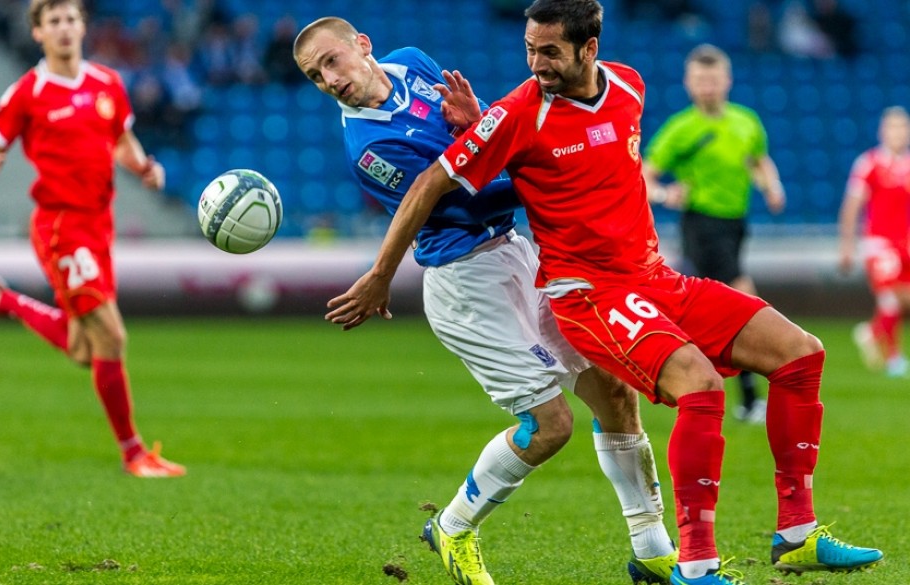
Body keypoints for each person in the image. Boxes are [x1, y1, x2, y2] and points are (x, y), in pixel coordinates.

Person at [323, 1, 884, 583]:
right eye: (529, 50)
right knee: (595, 413)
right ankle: (684, 564)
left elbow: (572, 159)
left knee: (798, 354)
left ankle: (784, 535)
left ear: (589, 48)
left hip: (637, 274)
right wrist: (382, 272)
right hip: (548, 287)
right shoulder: (497, 119)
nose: (536, 64)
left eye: (549, 52)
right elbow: (439, 187)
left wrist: (482, 127)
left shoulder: (628, 86)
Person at [293, 16, 678, 585]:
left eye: (331, 61)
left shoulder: (413, 62)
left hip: (516, 254)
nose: (329, 79)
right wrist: (552, 168)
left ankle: (652, 549)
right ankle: (452, 526)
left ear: (363, 45)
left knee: (614, 390)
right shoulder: (369, 148)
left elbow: (483, 140)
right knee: (551, 426)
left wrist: (478, 124)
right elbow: (464, 200)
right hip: (466, 281)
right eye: (314, 76)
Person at [0, 0, 185, 478]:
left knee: (85, 349)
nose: (64, 28)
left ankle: (3, 300)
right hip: (61, 227)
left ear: (83, 27)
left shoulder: (107, 82)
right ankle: (134, 454)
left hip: (99, 224)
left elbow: (121, 140)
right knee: (112, 336)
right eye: (54, 22)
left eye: (71, 19)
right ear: (38, 33)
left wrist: (144, 167)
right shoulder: (28, 91)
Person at [642, 44, 785, 424]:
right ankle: (750, 399)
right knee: (744, 300)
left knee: (712, 312)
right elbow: (644, 174)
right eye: (700, 80)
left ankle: (695, 385)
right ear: (688, 83)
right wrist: (664, 194)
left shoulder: (746, 121)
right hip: (702, 223)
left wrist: (771, 186)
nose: (707, 86)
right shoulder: (681, 128)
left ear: (727, 81)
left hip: (736, 224)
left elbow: (758, 160)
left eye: (713, 79)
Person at [839, 105, 910, 378]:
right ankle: (894, 358)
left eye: (902, 127)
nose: (897, 133)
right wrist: (847, 245)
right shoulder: (869, 163)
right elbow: (852, 206)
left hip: (904, 244)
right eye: (892, 127)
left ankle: (871, 332)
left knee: (902, 300)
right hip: (879, 244)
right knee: (889, 300)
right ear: (882, 131)